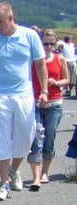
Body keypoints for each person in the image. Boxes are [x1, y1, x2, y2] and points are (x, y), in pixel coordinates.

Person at [0, 2, 48, 201]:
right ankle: (3, 183)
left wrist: (44, 90)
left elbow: (40, 65)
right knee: (0, 139)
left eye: (0, 22)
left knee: (25, 138)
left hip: (24, 95)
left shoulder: (30, 36)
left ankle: (13, 170)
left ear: (11, 18)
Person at [27, 30, 69, 190]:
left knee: (50, 138)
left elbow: (67, 79)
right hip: (35, 103)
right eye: (45, 44)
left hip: (54, 104)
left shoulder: (60, 59)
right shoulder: (34, 60)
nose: (49, 47)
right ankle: (36, 177)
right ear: (40, 43)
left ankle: (45, 172)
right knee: (36, 138)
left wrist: (56, 83)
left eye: (52, 43)